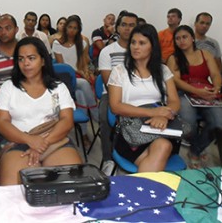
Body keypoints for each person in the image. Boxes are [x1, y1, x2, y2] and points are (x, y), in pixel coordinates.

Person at [0, 37, 82, 185]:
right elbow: (2, 123)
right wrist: (30, 140)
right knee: (13, 189)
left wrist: (43, 143)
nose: (25, 63)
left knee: (73, 184)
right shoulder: (8, 87)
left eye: (31, 58)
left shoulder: (58, 87)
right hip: (18, 141)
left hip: (54, 139)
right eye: (21, 59)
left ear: (43, 60)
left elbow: (67, 121)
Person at [108, 24, 180, 172]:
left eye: (142, 43)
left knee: (163, 146)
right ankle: (146, 190)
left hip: (159, 127)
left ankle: (141, 192)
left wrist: (164, 116)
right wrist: (153, 113)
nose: (135, 47)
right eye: (133, 42)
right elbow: (115, 106)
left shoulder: (163, 70)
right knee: (162, 149)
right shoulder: (119, 71)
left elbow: (174, 101)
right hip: (130, 130)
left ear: (152, 46)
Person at [167, 25, 222, 169]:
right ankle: (197, 149)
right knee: (189, 124)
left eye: (184, 37)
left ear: (192, 38)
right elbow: (176, 81)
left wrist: (216, 87)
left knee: (218, 123)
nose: (181, 41)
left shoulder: (205, 54)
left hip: (207, 94)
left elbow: (215, 74)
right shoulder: (174, 58)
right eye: (177, 38)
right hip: (184, 94)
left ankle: (195, 150)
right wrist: (197, 92)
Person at [98, 11, 138, 175]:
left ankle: (140, 153)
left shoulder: (141, 49)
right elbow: (108, 83)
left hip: (138, 93)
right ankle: (108, 159)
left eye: (132, 25)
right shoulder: (107, 51)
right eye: (124, 25)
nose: (127, 29)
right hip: (112, 93)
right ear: (117, 28)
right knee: (105, 116)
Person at [52, 15, 98, 149]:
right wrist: (81, 73)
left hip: (79, 77)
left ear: (79, 30)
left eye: (75, 28)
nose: (72, 30)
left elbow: (83, 62)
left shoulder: (82, 43)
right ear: (65, 28)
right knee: (83, 84)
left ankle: (83, 134)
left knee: (81, 96)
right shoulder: (57, 43)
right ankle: (95, 113)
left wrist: (86, 72)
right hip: (65, 79)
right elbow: (64, 68)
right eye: (70, 27)